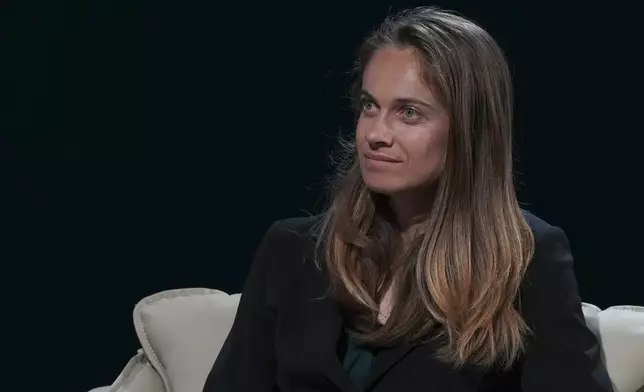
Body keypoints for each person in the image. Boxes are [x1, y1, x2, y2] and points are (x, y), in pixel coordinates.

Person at [203, 6, 613, 392]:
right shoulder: (292, 250)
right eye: (369, 106)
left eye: (409, 112)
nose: (375, 133)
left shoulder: (526, 258)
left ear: (469, 130)